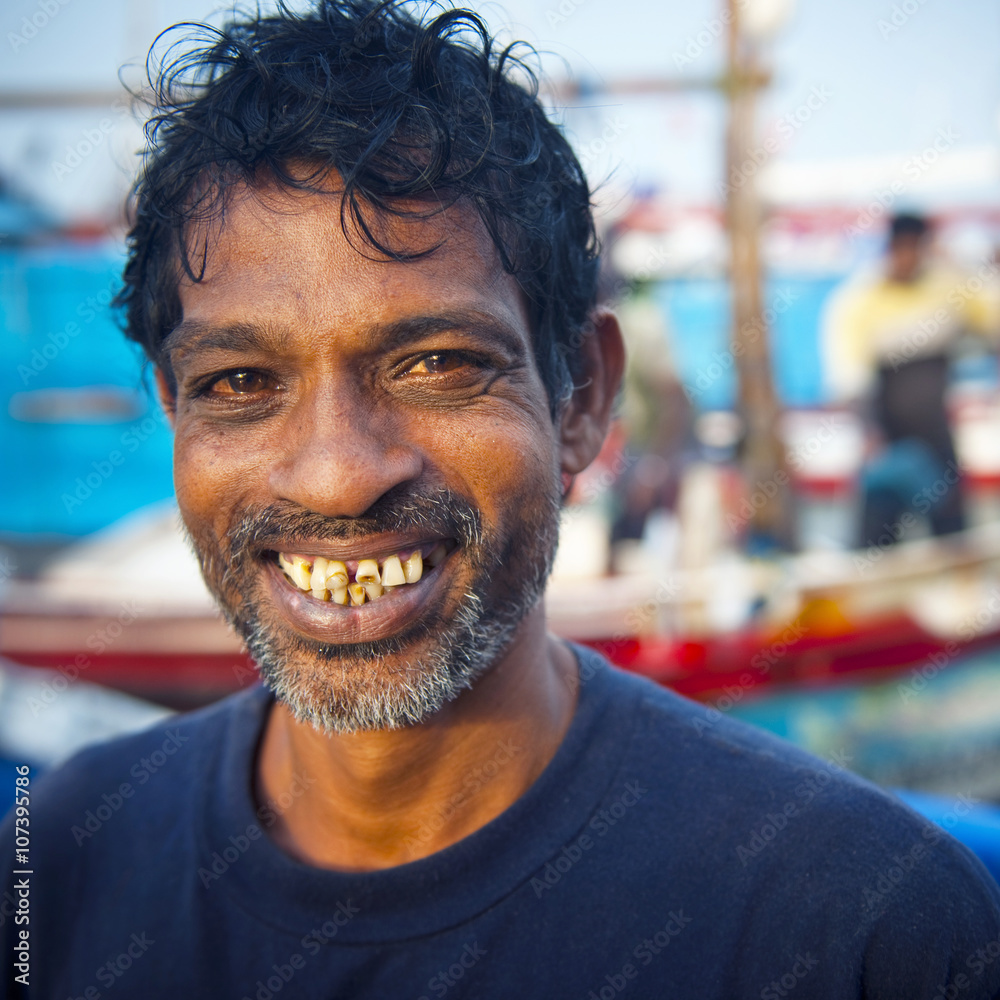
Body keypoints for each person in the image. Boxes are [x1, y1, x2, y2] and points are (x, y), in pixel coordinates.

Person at [4, 4, 1000, 997]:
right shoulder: (52, 873)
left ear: (583, 399)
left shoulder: (872, 929)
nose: (337, 473)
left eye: (437, 363)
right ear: (174, 410)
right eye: (240, 383)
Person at [823, 212, 999, 546]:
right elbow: (849, 380)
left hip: (937, 440)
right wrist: (870, 437)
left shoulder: (951, 286)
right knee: (874, 543)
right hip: (887, 440)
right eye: (901, 248)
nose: (908, 257)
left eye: (915, 248)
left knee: (953, 542)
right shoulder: (859, 300)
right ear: (889, 248)